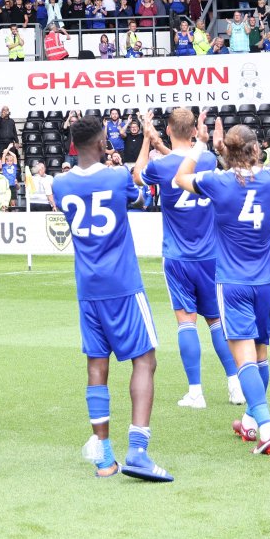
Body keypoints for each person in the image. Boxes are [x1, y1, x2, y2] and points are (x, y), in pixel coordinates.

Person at [53, 115, 171, 482]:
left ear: (73, 145)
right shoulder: (117, 177)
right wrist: (148, 143)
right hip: (122, 283)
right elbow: (139, 194)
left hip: (88, 287)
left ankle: (104, 457)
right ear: (102, 143)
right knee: (144, 360)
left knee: (96, 365)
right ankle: (137, 449)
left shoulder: (59, 184)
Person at [173, 122, 270, 455]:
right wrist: (232, 153)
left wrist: (200, 146)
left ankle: (266, 428)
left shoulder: (217, 183)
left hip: (233, 281)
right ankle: (251, 418)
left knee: (245, 359)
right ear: (254, 149)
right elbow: (258, 169)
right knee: (260, 355)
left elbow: (180, 178)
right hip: (266, 281)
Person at [132, 108, 240, 410]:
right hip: (210, 255)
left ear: (168, 129)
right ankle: (235, 385)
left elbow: (138, 176)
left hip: (178, 256)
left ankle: (196, 392)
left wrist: (146, 139)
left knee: (186, 322)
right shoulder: (205, 158)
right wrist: (161, 142)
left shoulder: (161, 166)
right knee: (217, 322)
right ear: (194, 131)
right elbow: (186, 161)